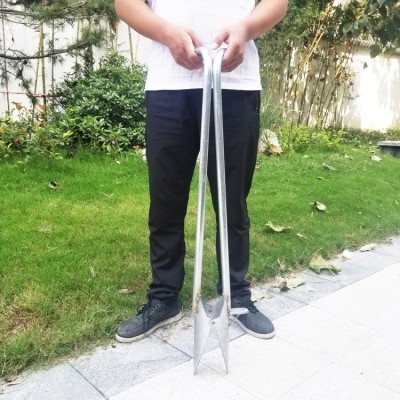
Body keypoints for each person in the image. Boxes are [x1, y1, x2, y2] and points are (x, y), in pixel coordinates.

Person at [114, 0, 288, 343]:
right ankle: (164, 297)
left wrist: (245, 29)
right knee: (165, 201)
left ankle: (236, 295)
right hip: (168, 84)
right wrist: (167, 33)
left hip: (235, 83)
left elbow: (276, 2)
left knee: (232, 201)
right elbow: (127, 4)